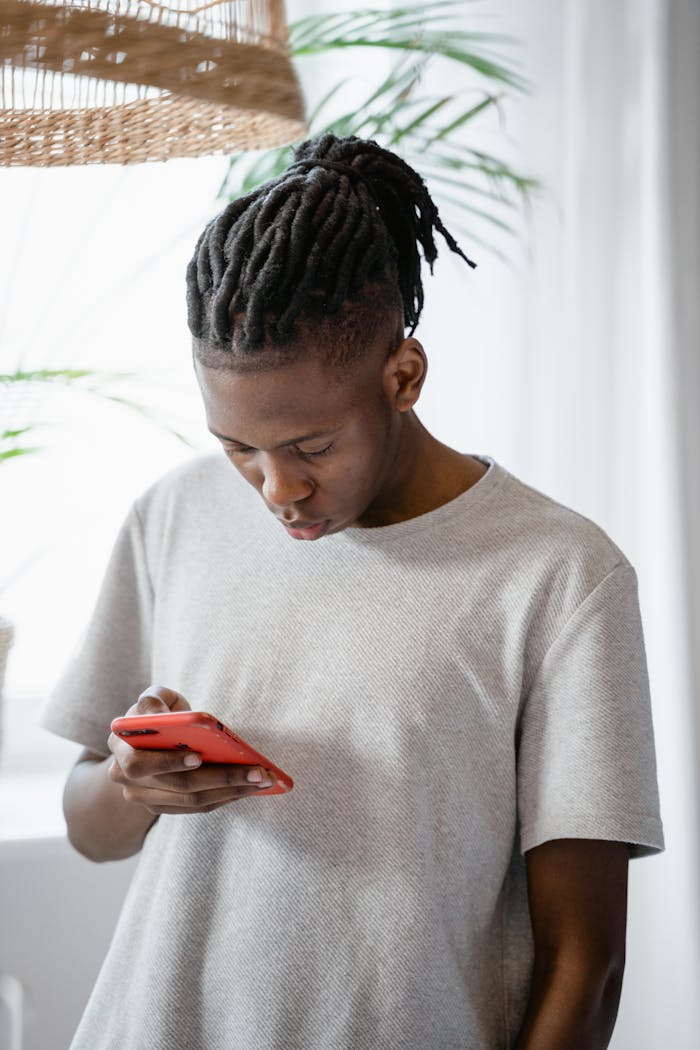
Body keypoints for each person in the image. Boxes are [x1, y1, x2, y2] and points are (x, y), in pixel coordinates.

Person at [42, 133, 664, 1050]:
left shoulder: (559, 576)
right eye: (237, 447)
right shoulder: (176, 513)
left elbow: (586, 961)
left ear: (403, 376)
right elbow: (90, 828)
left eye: (312, 448)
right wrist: (137, 785)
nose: (274, 489)